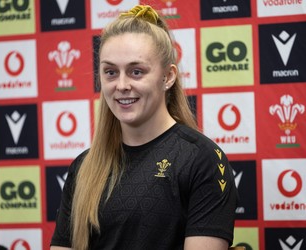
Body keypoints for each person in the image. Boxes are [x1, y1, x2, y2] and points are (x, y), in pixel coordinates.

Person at [50, 4, 238, 250]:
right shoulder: (84, 168)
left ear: (168, 77)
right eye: (110, 72)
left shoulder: (201, 160)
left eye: (136, 71)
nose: (122, 85)